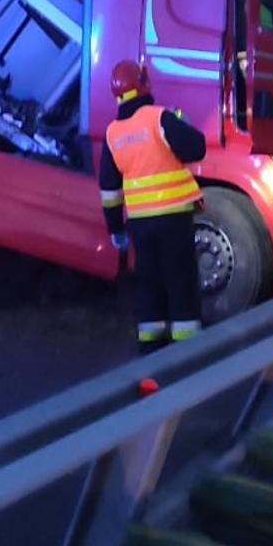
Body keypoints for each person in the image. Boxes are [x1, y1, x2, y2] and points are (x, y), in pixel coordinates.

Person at [99, 60, 207, 354]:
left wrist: (115, 229)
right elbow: (197, 147)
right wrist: (181, 122)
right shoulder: (160, 118)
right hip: (173, 218)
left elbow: (109, 190)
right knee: (180, 280)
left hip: (139, 225)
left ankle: (150, 347)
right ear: (143, 83)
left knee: (149, 282)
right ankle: (187, 349)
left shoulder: (113, 134)